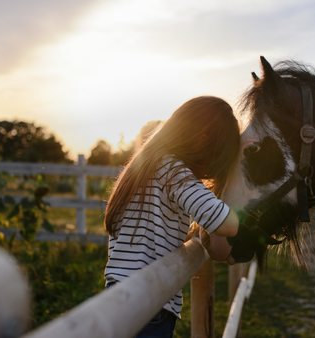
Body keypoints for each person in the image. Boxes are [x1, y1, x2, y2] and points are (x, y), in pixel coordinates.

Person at [103, 96, 241, 338]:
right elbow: (227, 223)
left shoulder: (143, 167)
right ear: (202, 141)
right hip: (150, 301)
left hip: (117, 297)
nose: (213, 170)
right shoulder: (173, 170)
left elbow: (156, 230)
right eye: (218, 156)